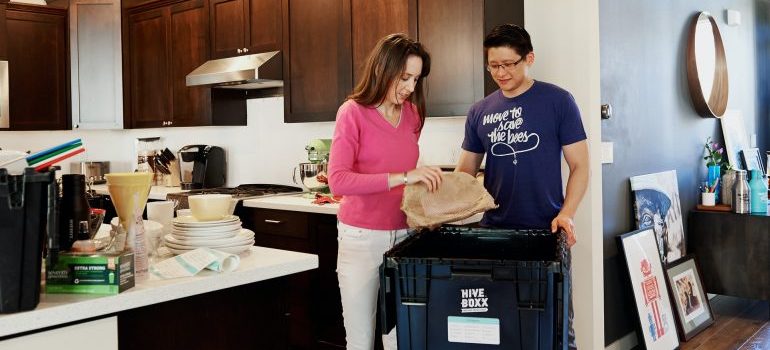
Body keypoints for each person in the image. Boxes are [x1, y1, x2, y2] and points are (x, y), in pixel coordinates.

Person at [455, 24, 589, 349]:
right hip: (495, 234)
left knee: (555, 327)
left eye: (508, 64)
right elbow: (464, 173)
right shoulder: (479, 112)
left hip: (546, 232)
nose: (500, 73)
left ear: (529, 58)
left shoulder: (558, 101)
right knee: (499, 328)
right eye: (493, 66)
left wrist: (567, 214)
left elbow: (580, 166)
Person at [328, 33, 443, 350]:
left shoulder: (413, 116)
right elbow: (338, 180)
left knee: (400, 339)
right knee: (361, 340)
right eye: (404, 77)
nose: (410, 87)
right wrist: (406, 176)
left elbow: (406, 182)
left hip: (404, 238)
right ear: (381, 69)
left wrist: (424, 189)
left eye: (416, 79)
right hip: (361, 239)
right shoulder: (352, 112)